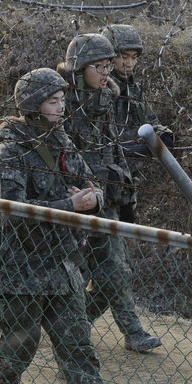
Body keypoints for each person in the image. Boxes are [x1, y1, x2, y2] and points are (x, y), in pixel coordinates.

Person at [0, 67, 147, 384]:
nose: (61, 107)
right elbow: (14, 211)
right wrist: (68, 205)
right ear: (33, 107)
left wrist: (94, 199)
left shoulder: (62, 141)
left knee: (78, 350)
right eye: (53, 102)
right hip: (23, 270)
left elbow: (92, 184)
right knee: (17, 350)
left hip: (63, 268)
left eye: (62, 101)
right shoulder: (10, 152)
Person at [58, 34, 162, 354]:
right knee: (81, 276)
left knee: (116, 271)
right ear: (79, 68)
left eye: (108, 65)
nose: (108, 73)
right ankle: (78, 336)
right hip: (76, 201)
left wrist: (124, 194)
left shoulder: (106, 99)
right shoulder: (65, 105)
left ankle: (86, 329)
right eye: (99, 66)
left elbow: (113, 149)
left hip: (106, 197)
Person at [101, 23, 174, 226]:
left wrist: (159, 135)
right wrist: (146, 140)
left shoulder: (132, 88)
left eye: (134, 57)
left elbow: (150, 122)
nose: (129, 63)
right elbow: (108, 137)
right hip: (107, 179)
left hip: (128, 178)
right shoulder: (102, 90)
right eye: (124, 57)